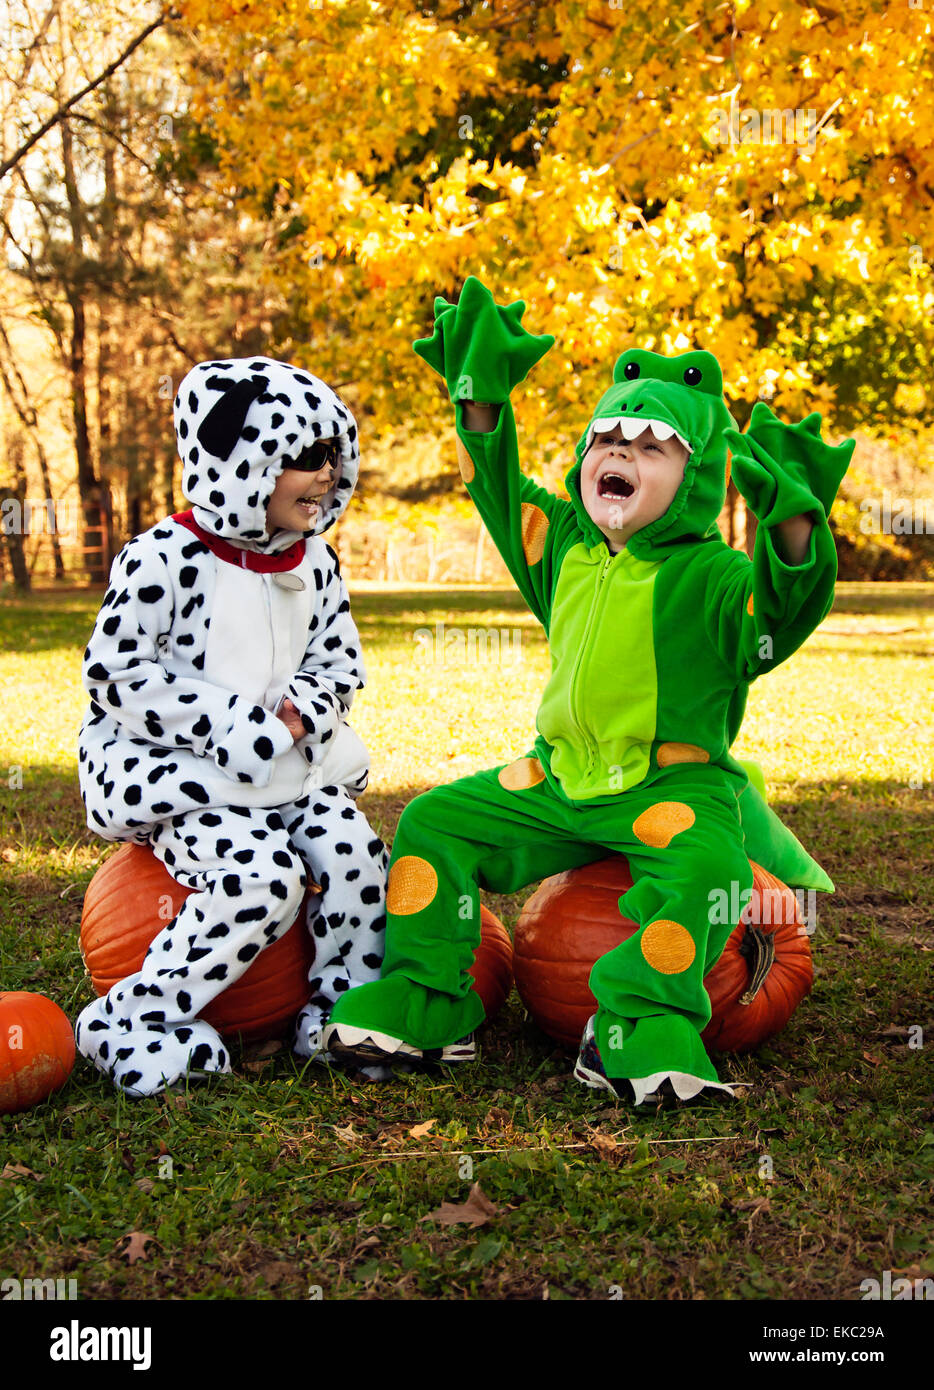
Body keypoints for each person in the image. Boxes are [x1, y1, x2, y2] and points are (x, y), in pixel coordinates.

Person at [322, 277, 853, 1105]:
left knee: (710, 867)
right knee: (432, 823)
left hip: (672, 788)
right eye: (607, 439)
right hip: (558, 779)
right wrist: (480, 397)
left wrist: (791, 526)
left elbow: (778, 616)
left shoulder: (711, 577)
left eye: (650, 447)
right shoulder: (563, 546)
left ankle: (637, 1029)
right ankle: (431, 1003)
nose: (619, 456)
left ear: (699, 474)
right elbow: (496, 492)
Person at [75, 357, 388, 1097]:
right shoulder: (164, 558)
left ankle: (341, 1010)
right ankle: (132, 1019)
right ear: (241, 461)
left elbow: (339, 662)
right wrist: (236, 727)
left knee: (354, 855)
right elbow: (116, 672)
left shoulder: (316, 562)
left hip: (295, 765)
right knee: (262, 878)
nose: (326, 477)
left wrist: (295, 715)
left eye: (333, 458)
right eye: (306, 460)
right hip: (190, 777)